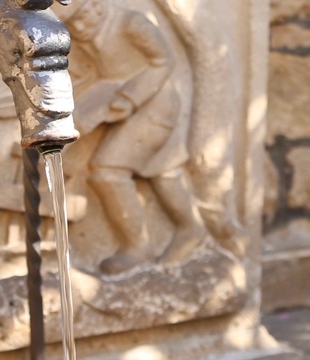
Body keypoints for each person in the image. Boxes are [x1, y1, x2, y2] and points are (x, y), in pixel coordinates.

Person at [56, 0, 205, 274]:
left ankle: (137, 248)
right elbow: (102, 75)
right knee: (163, 171)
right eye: (71, 24)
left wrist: (128, 99)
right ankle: (191, 229)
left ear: (96, 7)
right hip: (118, 97)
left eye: (82, 17)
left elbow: (164, 61)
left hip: (154, 103)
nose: (78, 27)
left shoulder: (132, 24)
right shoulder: (84, 35)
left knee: (108, 171)